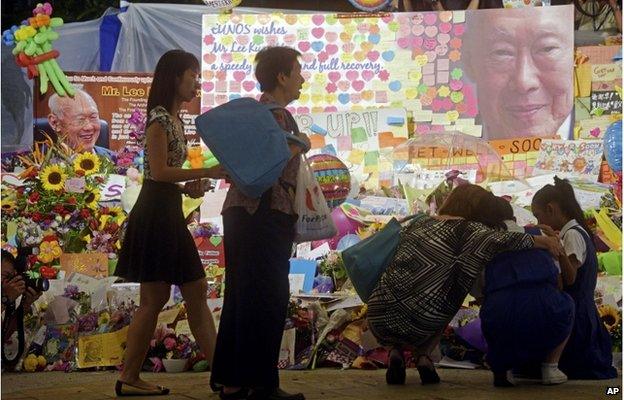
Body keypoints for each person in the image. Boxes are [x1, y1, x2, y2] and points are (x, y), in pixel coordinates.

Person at [366, 184, 564, 386]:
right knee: (444, 299)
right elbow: (505, 239)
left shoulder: (419, 222)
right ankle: (423, 357)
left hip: (378, 314)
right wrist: (544, 241)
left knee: (415, 294)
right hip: (421, 320)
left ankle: (395, 352)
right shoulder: (469, 230)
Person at [114, 49, 227, 396]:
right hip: (157, 213)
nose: (197, 81)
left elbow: (164, 176)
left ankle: (219, 375)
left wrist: (187, 184)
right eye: (192, 74)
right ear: (175, 78)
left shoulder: (174, 119)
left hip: (165, 208)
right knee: (163, 296)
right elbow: (159, 171)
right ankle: (131, 376)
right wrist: (205, 171)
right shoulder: (160, 120)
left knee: (188, 291)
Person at [210, 46, 310, 400]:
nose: (302, 78)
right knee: (268, 296)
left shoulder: (249, 114)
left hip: (238, 212)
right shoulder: (279, 117)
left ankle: (233, 381)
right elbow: (276, 165)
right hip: (266, 213)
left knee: (240, 294)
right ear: (281, 76)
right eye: (297, 71)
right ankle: (262, 385)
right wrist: (301, 146)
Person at [478, 197, 574, 387]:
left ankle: (501, 370)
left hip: (500, 308)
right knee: (567, 303)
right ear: (512, 216)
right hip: (545, 305)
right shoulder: (540, 233)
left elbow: (480, 287)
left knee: (493, 315)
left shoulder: (482, 242)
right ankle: (550, 367)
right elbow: (560, 281)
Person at [531, 177, 618, 380]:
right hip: (581, 313)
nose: (537, 222)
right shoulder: (574, 232)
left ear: (551, 209)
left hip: (576, 318)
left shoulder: (572, 235)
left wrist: (556, 248)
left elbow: (570, 279)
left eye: (538, 216)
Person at [462, 6, 574, 140]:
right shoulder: (447, 143)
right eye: (501, 52)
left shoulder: (601, 143)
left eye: (547, 48)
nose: (524, 82)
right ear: (469, 59)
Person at [47, 89, 115, 158]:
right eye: (80, 120)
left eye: (93, 117)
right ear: (55, 123)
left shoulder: (115, 161)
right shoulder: (42, 165)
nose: (89, 127)